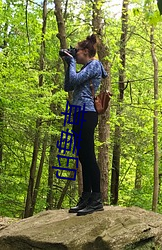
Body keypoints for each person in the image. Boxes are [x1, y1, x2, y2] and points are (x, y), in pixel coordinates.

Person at [62, 34, 108, 216]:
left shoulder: (95, 65)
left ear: (86, 52)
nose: (75, 54)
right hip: (79, 113)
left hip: (87, 113)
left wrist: (71, 62)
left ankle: (96, 199)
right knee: (82, 156)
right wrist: (69, 64)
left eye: (77, 51)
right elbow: (68, 85)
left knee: (89, 156)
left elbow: (73, 81)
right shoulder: (85, 69)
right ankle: (87, 197)